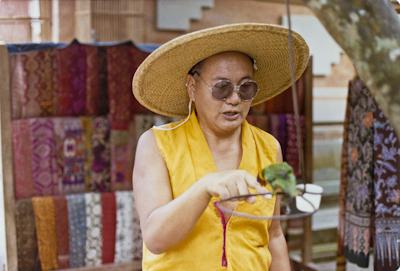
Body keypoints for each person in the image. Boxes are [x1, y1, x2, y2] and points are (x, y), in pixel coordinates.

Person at [132, 23, 309, 270]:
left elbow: (274, 234)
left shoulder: (270, 148)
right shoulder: (157, 144)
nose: (235, 99)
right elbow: (155, 238)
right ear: (192, 87)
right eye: (222, 87)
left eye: (246, 88)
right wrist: (203, 188)